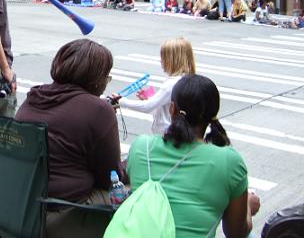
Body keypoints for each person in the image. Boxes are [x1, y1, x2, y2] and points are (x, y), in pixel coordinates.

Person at [126, 75, 260, 237]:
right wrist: (248, 207)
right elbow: (236, 232)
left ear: (172, 109)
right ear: (213, 114)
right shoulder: (229, 161)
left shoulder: (141, 146)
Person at [16, 39, 122, 236]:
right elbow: (109, 178)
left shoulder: (34, 97)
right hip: (66, 208)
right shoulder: (99, 110)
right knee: (129, 193)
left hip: (28, 202)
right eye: (106, 77)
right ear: (97, 78)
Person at [112, 37, 196, 135]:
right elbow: (162, 105)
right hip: (180, 133)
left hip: (166, 134)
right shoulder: (187, 79)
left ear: (172, 60)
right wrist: (150, 98)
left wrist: (121, 101)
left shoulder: (171, 84)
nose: (160, 61)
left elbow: (147, 107)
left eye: (163, 57)